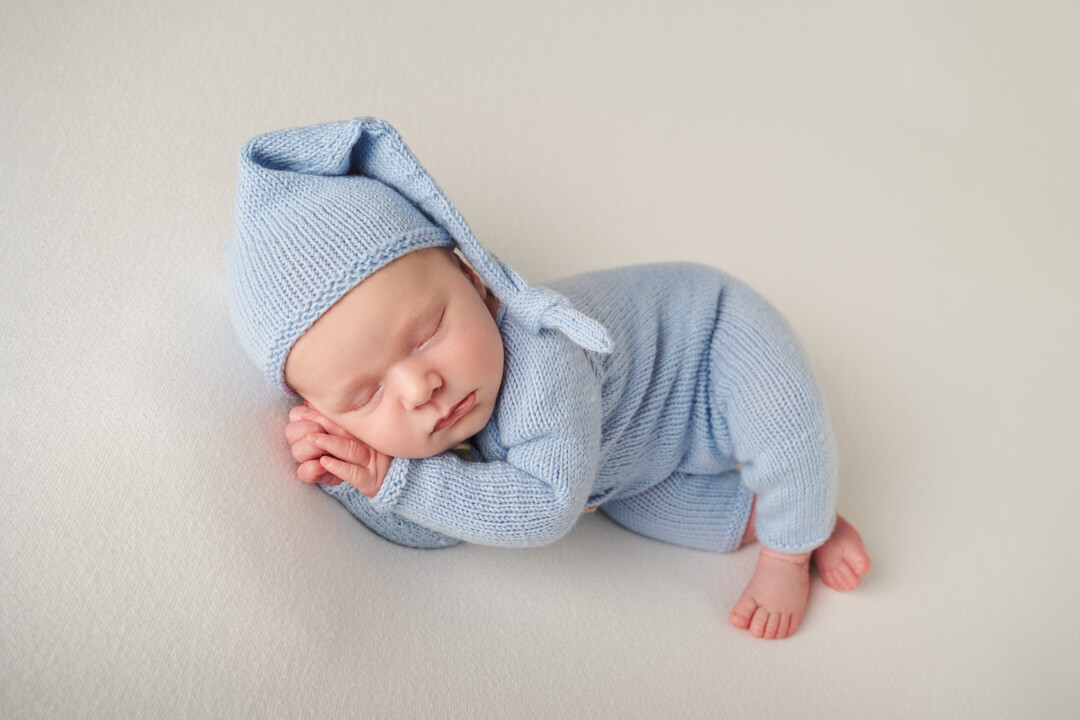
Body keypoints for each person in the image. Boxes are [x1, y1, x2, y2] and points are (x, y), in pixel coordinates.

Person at [225, 117, 870, 640]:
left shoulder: (542, 355)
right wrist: (358, 477)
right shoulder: (433, 416)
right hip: (628, 461)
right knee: (637, 510)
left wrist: (397, 477)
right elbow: (445, 524)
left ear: (476, 281)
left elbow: (544, 508)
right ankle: (790, 516)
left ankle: (792, 546)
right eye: (366, 394)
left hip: (713, 344)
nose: (421, 387)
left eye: (426, 335)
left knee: (782, 422)